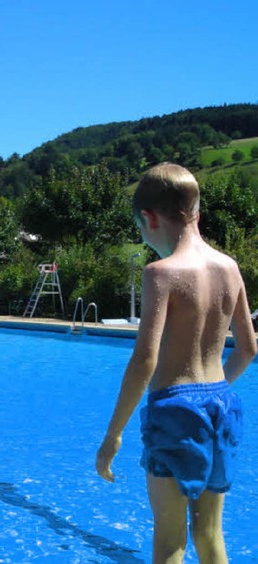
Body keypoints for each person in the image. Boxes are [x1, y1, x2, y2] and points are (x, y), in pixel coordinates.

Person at [96, 163, 257, 562]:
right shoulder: (230, 268)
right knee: (210, 533)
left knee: (170, 540)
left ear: (149, 218)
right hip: (222, 404)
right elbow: (248, 349)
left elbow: (145, 360)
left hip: (174, 409)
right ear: (197, 211)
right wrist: (212, 391)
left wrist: (113, 435)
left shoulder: (161, 273)